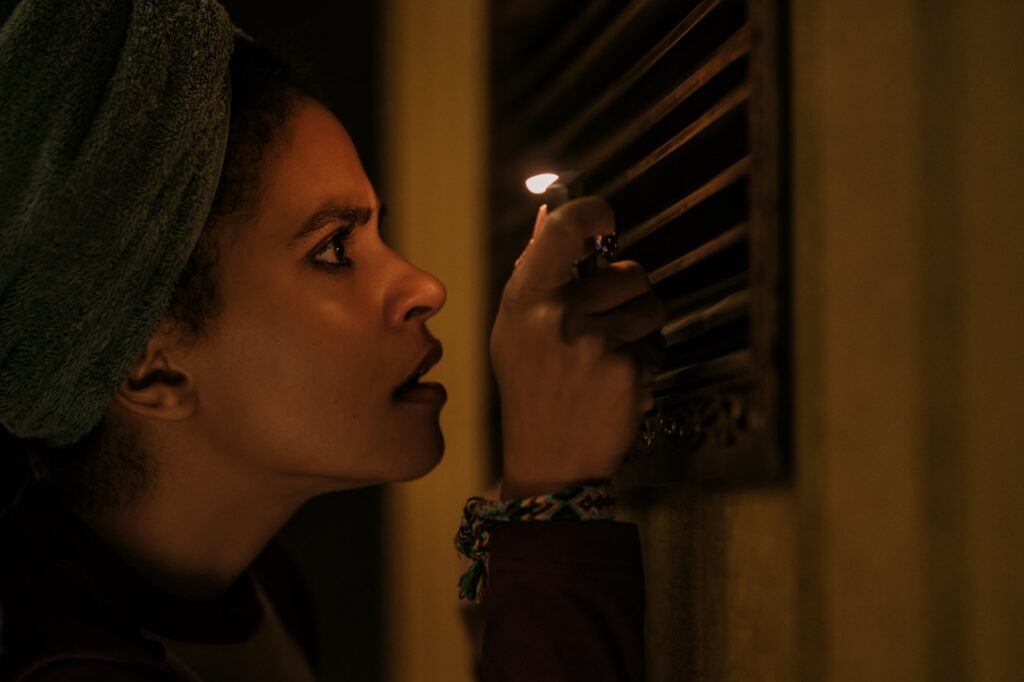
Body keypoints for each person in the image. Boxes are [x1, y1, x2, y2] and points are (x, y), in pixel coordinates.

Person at [0, 1, 665, 680]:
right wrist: (551, 509)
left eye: (378, 229)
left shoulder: (263, 591)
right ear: (150, 373)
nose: (425, 287)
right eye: (334, 248)